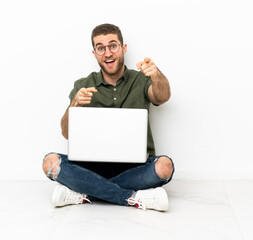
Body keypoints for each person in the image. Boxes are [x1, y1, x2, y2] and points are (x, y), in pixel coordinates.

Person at [42, 23, 174, 211]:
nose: (108, 53)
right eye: (101, 48)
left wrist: (157, 75)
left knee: (164, 167)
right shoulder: (83, 84)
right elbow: (66, 133)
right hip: (91, 167)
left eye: (113, 46)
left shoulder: (141, 79)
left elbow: (162, 96)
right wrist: (75, 104)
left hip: (135, 168)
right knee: (50, 162)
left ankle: (84, 191)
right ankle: (132, 197)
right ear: (94, 53)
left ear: (123, 48)